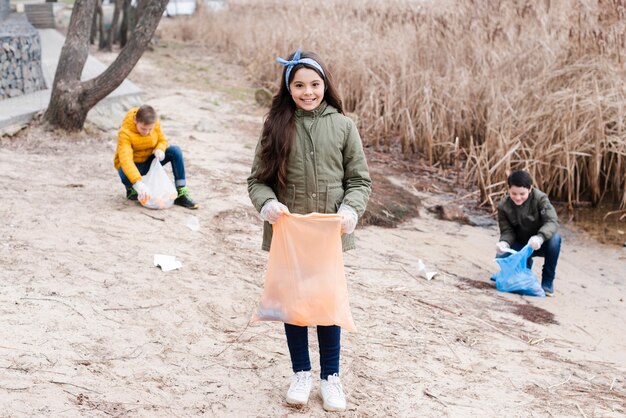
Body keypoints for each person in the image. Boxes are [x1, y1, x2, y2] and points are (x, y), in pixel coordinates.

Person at [247, 49, 371, 412]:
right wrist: (267, 204)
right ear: (289, 88)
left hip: (328, 235)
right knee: (295, 306)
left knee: (326, 304)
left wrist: (350, 209)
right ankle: (301, 371)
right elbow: (257, 180)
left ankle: (330, 377)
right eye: (299, 85)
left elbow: (360, 180)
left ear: (325, 85)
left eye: (314, 84)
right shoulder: (275, 126)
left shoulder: (344, 126)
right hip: (290, 235)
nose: (307, 92)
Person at [113, 105, 199, 209]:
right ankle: (131, 189)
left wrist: (160, 149)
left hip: (150, 161)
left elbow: (162, 140)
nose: (147, 132)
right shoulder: (124, 133)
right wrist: (138, 183)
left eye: (150, 129)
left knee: (175, 151)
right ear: (135, 120)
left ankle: (181, 193)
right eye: (143, 129)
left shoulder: (155, 123)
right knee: (124, 170)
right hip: (134, 165)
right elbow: (126, 160)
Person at [495, 169, 561, 296]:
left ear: (530, 189)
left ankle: (547, 281)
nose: (518, 197)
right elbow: (507, 230)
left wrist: (540, 237)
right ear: (508, 189)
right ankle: (525, 263)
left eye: (522, 193)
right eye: (514, 193)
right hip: (520, 244)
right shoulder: (503, 206)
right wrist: (504, 243)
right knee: (501, 256)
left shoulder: (540, 199)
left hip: (539, 243)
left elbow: (552, 222)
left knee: (555, 239)